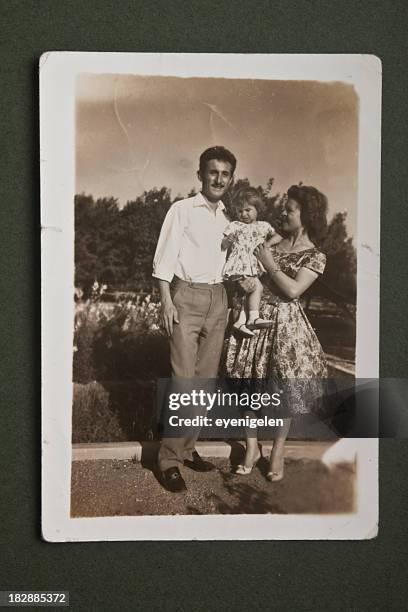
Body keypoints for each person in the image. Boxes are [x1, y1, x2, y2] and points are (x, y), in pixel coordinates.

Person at [223, 184, 328, 481]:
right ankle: (252, 446)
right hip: (254, 318)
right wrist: (242, 283)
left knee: (280, 391)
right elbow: (242, 267)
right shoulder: (269, 242)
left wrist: (268, 264)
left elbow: (293, 290)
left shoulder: (314, 256)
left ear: (306, 215)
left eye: (289, 209)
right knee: (247, 383)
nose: (282, 212)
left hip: (285, 326)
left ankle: (278, 449)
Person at [152, 146, 236, 492]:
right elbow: (164, 258)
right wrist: (167, 301)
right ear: (200, 175)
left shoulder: (228, 220)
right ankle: (168, 460)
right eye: (212, 172)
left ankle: (187, 449)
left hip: (219, 300)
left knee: (204, 382)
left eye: (225, 173)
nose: (218, 179)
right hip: (185, 297)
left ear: (231, 178)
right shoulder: (182, 210)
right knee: (184, 382)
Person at [222, 186, 282, 337]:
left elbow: (279, 236)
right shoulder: (235, 225)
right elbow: (223, 244)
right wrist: (227, 241)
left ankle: (240, 321)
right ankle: (253, 318)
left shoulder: (264, 226)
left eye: (247, 210)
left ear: (257, 209)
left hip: (253, 264)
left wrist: (267, 244)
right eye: (240, 211)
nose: (243, 214)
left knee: (248, 292)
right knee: (257, 287)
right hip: (240, 264)